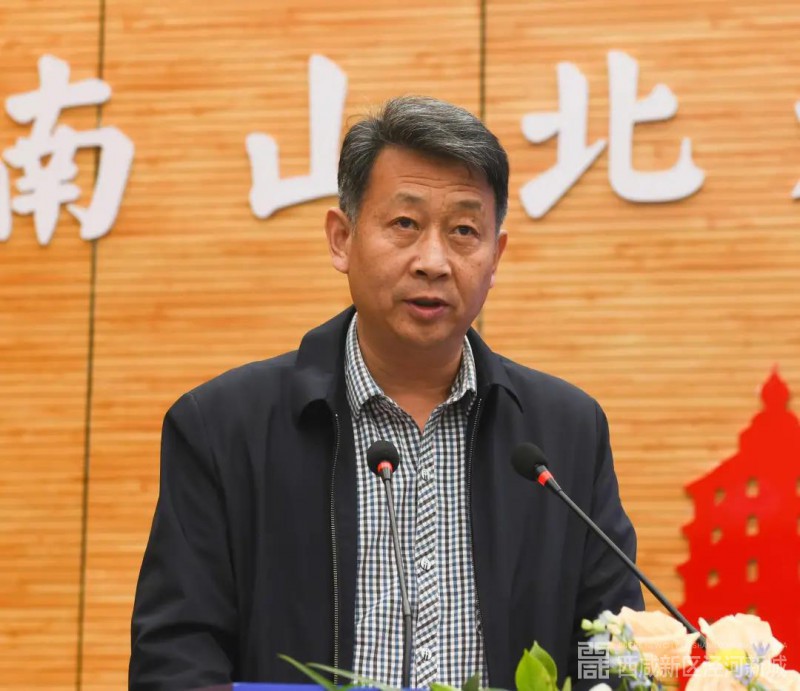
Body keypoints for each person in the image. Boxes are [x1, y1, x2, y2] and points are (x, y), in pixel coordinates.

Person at [130, 96, 643, 691]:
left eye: (464, 231)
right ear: (341, 238)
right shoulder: (223, 428)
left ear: (495, 256)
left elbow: (611, 648)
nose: (433, 261)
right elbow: (176, 656)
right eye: (405, 224)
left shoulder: (565, 433)